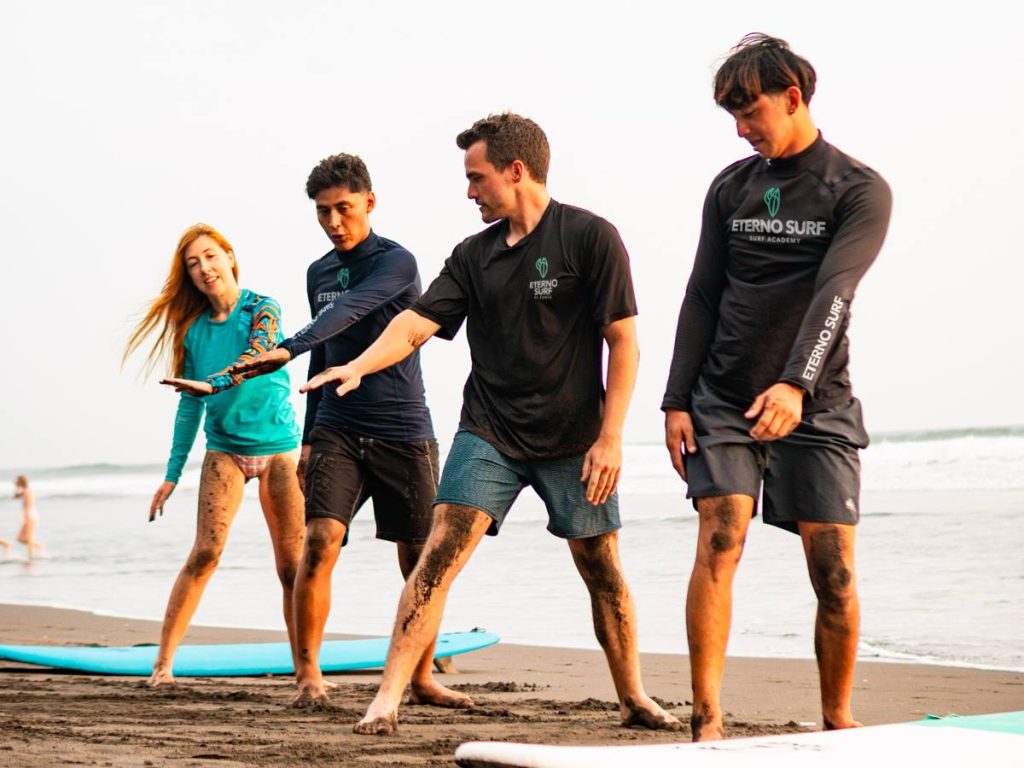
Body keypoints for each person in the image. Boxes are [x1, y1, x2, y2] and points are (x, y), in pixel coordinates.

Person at [306, 113, 682, 735]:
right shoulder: (473, 256)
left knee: (601, 566)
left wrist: (612, 437)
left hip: (574, 437)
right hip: (490, 432)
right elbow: (415, 324)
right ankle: (388, 699)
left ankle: (633, 697)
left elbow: (624, 344)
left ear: (516, 171)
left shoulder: (590, 238)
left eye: (476, 177)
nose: (469, 191)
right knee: (439, 554)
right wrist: (358, 365)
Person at [662, 34, 892, 740]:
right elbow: (702, 294)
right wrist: (675, 398)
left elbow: (835, 294)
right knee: (722, 532)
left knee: (836, 572)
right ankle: (706, 719)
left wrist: (795, 385)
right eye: (731, 115)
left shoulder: (858, 189)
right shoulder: (731, 186)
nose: (740, 128)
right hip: (724, 396)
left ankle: (838, 718)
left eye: (750, 110)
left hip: (817, 402)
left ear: (793, 97)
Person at [226, 153, 462, 709]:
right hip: (337, 426)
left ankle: (422, 676)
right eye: (324, 212)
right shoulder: (318, 272)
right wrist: (308, 437)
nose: (335, 222)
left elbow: (350, 313)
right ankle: (308, 676)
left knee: (418, 556)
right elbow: (327, 350)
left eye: (344, 209)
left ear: (369, 202)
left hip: (403, 425)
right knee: (320, 541)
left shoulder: (397, 263)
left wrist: (286, 346)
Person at [123, 223, 305, 687]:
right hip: (224, 449)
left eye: (210, 256)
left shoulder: (263, 308)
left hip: (280, 451)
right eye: (193, 264)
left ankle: (306, 670)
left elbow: (259, 352)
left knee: (291, 568)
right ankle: (162, 665)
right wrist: (171, 473)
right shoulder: (194, 333)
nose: (204, 268)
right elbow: (189, 406)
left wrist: (216, 382)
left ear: (229, 257)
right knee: (205, 553)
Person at [10, 476, 44, 559]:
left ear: (21, 482)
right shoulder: (24, 491)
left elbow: (28, 506)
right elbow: (15, 497)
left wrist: (21, 516)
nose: (15, 483)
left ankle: (31, 557)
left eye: (17, 482)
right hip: (30, 515)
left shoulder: (27, 492)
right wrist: (16, 488)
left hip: (30, 515)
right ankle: (39, 545)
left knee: (29, 538)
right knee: (20, 539)